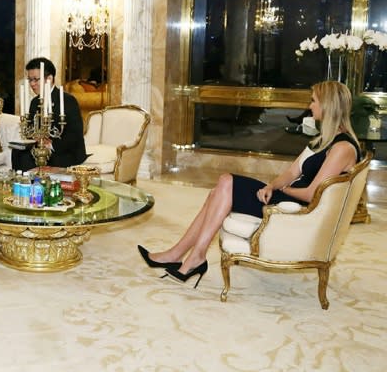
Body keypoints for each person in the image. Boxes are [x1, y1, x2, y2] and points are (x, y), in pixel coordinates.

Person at [138, 80, 361, 287]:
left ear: (328, 106)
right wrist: (272, 186)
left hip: (295, 208)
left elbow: (313, 194)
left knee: (226, 181)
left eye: (314, 101)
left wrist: (282, 190)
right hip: (286, 196)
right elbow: (293, 171)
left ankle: (192, 256)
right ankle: (179, 255)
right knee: (218, 192)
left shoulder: (342, 148)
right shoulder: (325, 139)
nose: (310, 105)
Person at [11, 57, 87, 172]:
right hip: (41, 148)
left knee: (34, 158)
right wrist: (34, 138)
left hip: (64, 151)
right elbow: (30, 129)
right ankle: (22, 186)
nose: (32, 84)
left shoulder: (68, 100)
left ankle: (36, 186)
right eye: (30, 80)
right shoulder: (35, 102)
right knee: (18, 152)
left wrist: (51, 145)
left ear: (49, 79)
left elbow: (74, 135)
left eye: (36, 79)